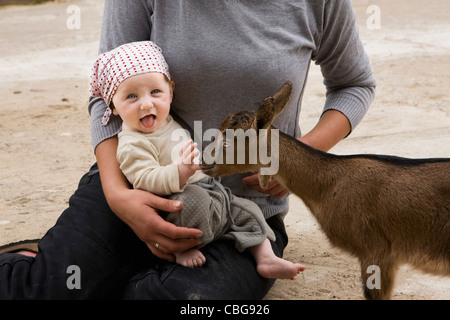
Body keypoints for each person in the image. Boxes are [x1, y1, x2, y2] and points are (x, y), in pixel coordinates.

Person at [0, 0, 375, 299]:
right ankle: (34, 261)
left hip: (236, 215)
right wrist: (117, 196)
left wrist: (302, 158)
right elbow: (104, 97)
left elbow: (354, 84)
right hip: (134, 186)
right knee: (50, 289)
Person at [90, 40, 305, 278]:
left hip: (209, 188)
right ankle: (184, 249)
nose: (147, 103)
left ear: (170, 92)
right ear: (114, 107)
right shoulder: (132, 143)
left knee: (247, 209)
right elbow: (143, 178)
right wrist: (180, 171)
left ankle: (265, 256)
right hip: (175, 195)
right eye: (131, 96)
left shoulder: (164, 119)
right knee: (193, 204)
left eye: (155, 92)